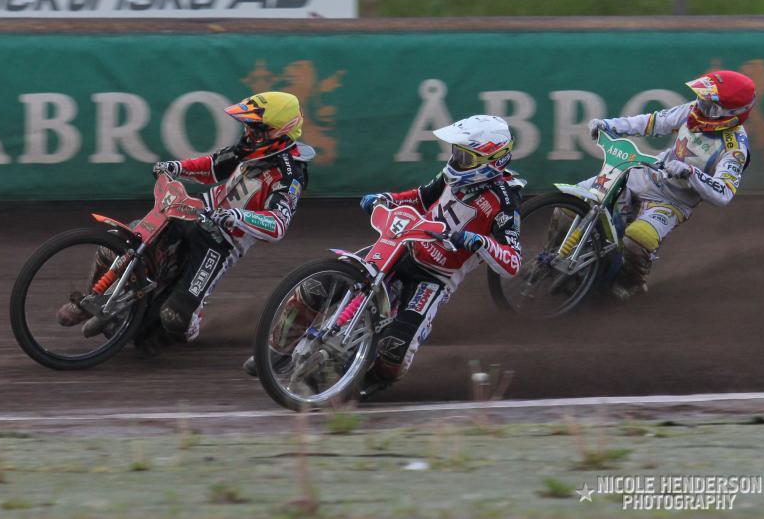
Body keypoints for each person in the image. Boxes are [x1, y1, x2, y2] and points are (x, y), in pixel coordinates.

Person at [58, 91, 315, 344]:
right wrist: (176, 167)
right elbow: (212, 166)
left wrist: (235, 216)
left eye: (256, 129)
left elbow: (277, 224)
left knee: (174, 319)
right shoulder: (250, 148)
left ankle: (186, 317)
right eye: (247, 126)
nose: (248, 134)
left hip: (222, 241)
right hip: (196, 210)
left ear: (278, 132)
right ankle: (88, 300)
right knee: (119, 244)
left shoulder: (290, 174)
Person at [356, 115, 524, 396]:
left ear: (492, 160)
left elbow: (513, 262)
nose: (456, 160)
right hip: (404, 245)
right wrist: (387, 198)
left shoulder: (505, 201)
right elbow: (420, 197)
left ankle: (361, 385)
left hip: (434, 277)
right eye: (456, 153)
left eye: (465, 157)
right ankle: (283, 342)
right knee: (329, 279)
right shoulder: (451, 176)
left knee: (395, 351)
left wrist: (479, 241)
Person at [585, 70, 755, 300]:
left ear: (732, 115)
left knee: (638, 238)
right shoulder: (692, 110)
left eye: (709, 105)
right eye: (701, 99)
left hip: (673, 201)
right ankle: (549, 258)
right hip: (644, 174)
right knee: (578, 198)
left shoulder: (735, 149)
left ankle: (630, 281)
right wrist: (609, 125)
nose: (700, 106)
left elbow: (724, 193)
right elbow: (654, 122)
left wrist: (691, 173)